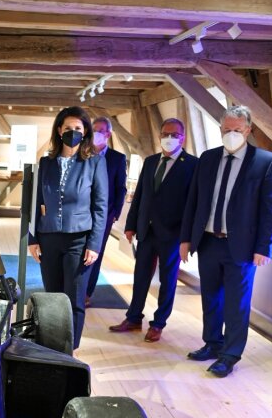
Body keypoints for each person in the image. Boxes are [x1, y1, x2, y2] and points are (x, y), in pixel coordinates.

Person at [180, 105, 272, 377]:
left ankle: (230, 354)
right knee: (210, 297)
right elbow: (194, 201)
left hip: (243, 247)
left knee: (237, 303)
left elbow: (271, 209)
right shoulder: (208, 158)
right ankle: (212, 344)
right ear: (220, 130)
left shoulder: (266, 161)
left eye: (237, 130)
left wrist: (264, 246)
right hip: (209, 241)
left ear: (248, 130)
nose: (232, 134)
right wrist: (186, 239)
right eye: (227, 130)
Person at [109, 118, 198, 342]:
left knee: (168, 281)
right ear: (159, 136)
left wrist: (186, 237)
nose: (169, 139)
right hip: (146, 231)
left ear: (183, 137)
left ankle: (158, 323)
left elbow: (192, 204)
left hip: (173, 234)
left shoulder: (192, 165)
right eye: (165, 134)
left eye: (174, 135)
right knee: (140, 276)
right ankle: (134, 318)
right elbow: (139, 196)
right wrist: (130, 226)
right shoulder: (149, 162)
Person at [28, 106, 107, 347]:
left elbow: (100, 206)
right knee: (51, 296)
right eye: (68, 128)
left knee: (73, 299)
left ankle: (69, 348)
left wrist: (94, 244)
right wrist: (33, 238)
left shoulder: (93, 163)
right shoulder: (46, 162)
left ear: (85, 133)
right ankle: (51, 345)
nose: (72, 132)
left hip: (79, 240)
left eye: (78, 129)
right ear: (59, 130)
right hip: (48, 237)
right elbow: (36, 201)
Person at [85, 116, 127, 304]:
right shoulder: (83, 153)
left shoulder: (117, 158)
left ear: (108, 134)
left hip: (105, 216)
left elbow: (121, 188)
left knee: (96, 253)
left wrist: (115, 213)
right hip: (82, 213)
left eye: (100, 130)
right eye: (94, 129)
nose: (96, 133)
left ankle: (87, 293)